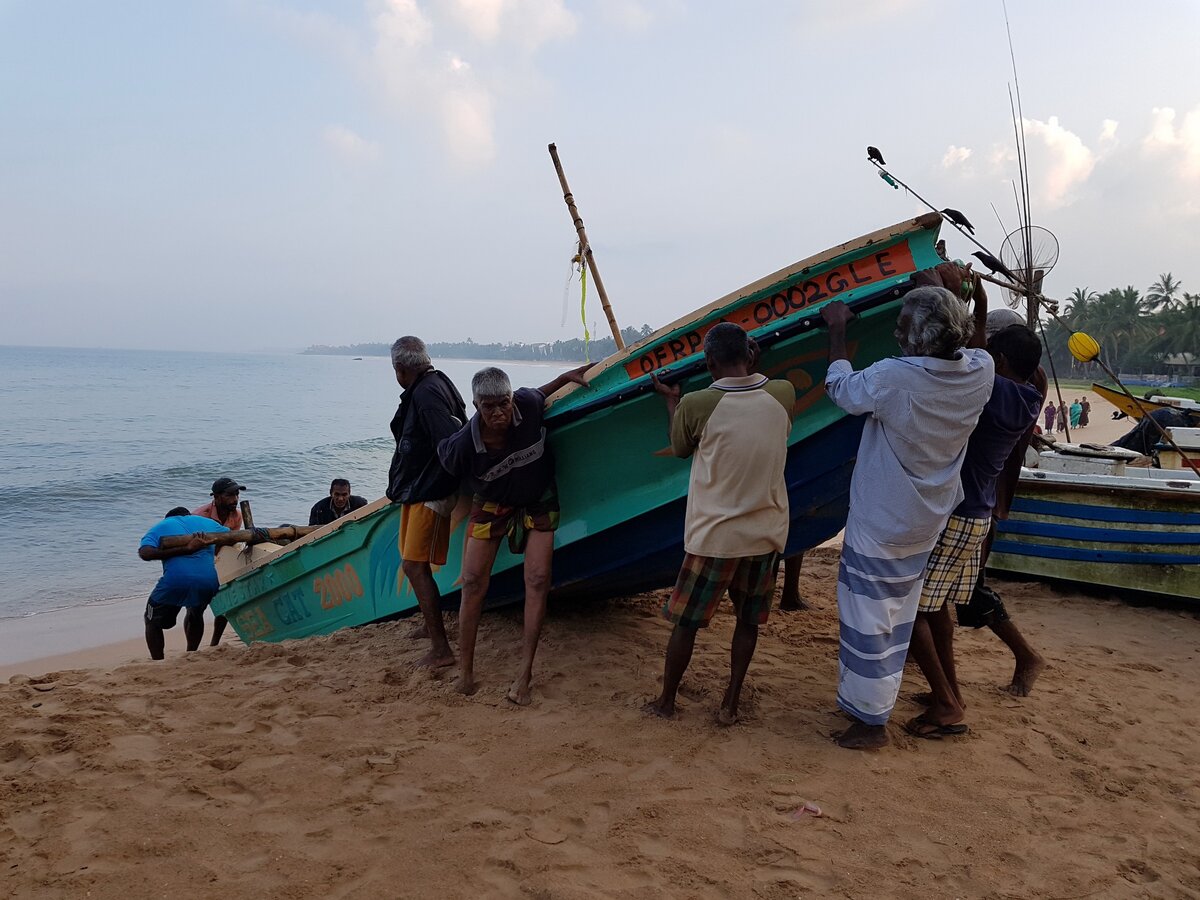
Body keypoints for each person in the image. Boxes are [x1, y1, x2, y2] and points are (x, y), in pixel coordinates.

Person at [822, 284, 993, 750]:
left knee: (868, 616)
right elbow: (976, 346)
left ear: (917, 338)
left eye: (900, 327)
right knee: (899, 611)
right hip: (928, 515)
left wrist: (837, 331)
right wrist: (968, 301)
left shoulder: (894, 378)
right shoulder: (980, 371)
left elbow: (840, 388)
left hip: (883, 518)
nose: (896, 334)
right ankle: (877, 703)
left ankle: (871, 723)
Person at [644, 323, 795, 724]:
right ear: (749, 354)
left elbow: (679, 448)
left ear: (708, 361)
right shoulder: (783, 393)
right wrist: (751, 362)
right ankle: (730, 704)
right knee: (747, 622)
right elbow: (755, 396)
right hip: (765, 532)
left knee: (686, 623)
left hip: (714, 536)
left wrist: (671, 403)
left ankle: (667, 702)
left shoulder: (696, 403)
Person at [906, 323, 1044, 737]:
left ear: (998, 363)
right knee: (938, 606)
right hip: (977, 515)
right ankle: (949, 692)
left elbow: (971, 359)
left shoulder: (995, 392)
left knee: (910, 608)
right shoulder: (1030, 395)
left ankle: (947, 704)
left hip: (958, 513)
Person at [437, 363, 589, 704]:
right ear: (475, 406)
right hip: (491, 502)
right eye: (489, 406)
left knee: (537, 580)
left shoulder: (527, 404)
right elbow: (444, 468)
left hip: (538, 498)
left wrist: (567, 377)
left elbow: (543, 390)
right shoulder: (461, 445)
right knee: (473, 582)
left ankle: (524, 675)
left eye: (504, 402)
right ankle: (466, 673)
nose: (500, 412)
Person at [387, 336, 469, 669]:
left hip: (430, 489)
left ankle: (441, 649)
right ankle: (428, 625)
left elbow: (448, 442)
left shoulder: (427, 392)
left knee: (414, 566)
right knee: (413, 562)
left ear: (401, 368)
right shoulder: (434, 383)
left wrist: (450, 484)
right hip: (419, 488)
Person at [138, 506, 228, 659]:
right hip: (209, 582)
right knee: (195, 613)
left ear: (168, 518)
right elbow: (233, 537)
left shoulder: (161, 526)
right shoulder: (208, 523)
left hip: (176, 582)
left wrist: (187, 549)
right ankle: (191, 654)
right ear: (188, 516)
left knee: (151, 619)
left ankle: (158, 661)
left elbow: (145, 553)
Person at [193, 477, 244, 646]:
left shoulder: (236, 515)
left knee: (225, 600)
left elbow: (230, 543)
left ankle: (214, 644)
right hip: (198, 561)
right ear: (216, 497)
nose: (235, 499)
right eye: (230, 495)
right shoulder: (200, 516)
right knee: (196, 608)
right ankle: (191, 650)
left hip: (221, 558)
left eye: (237, 494)